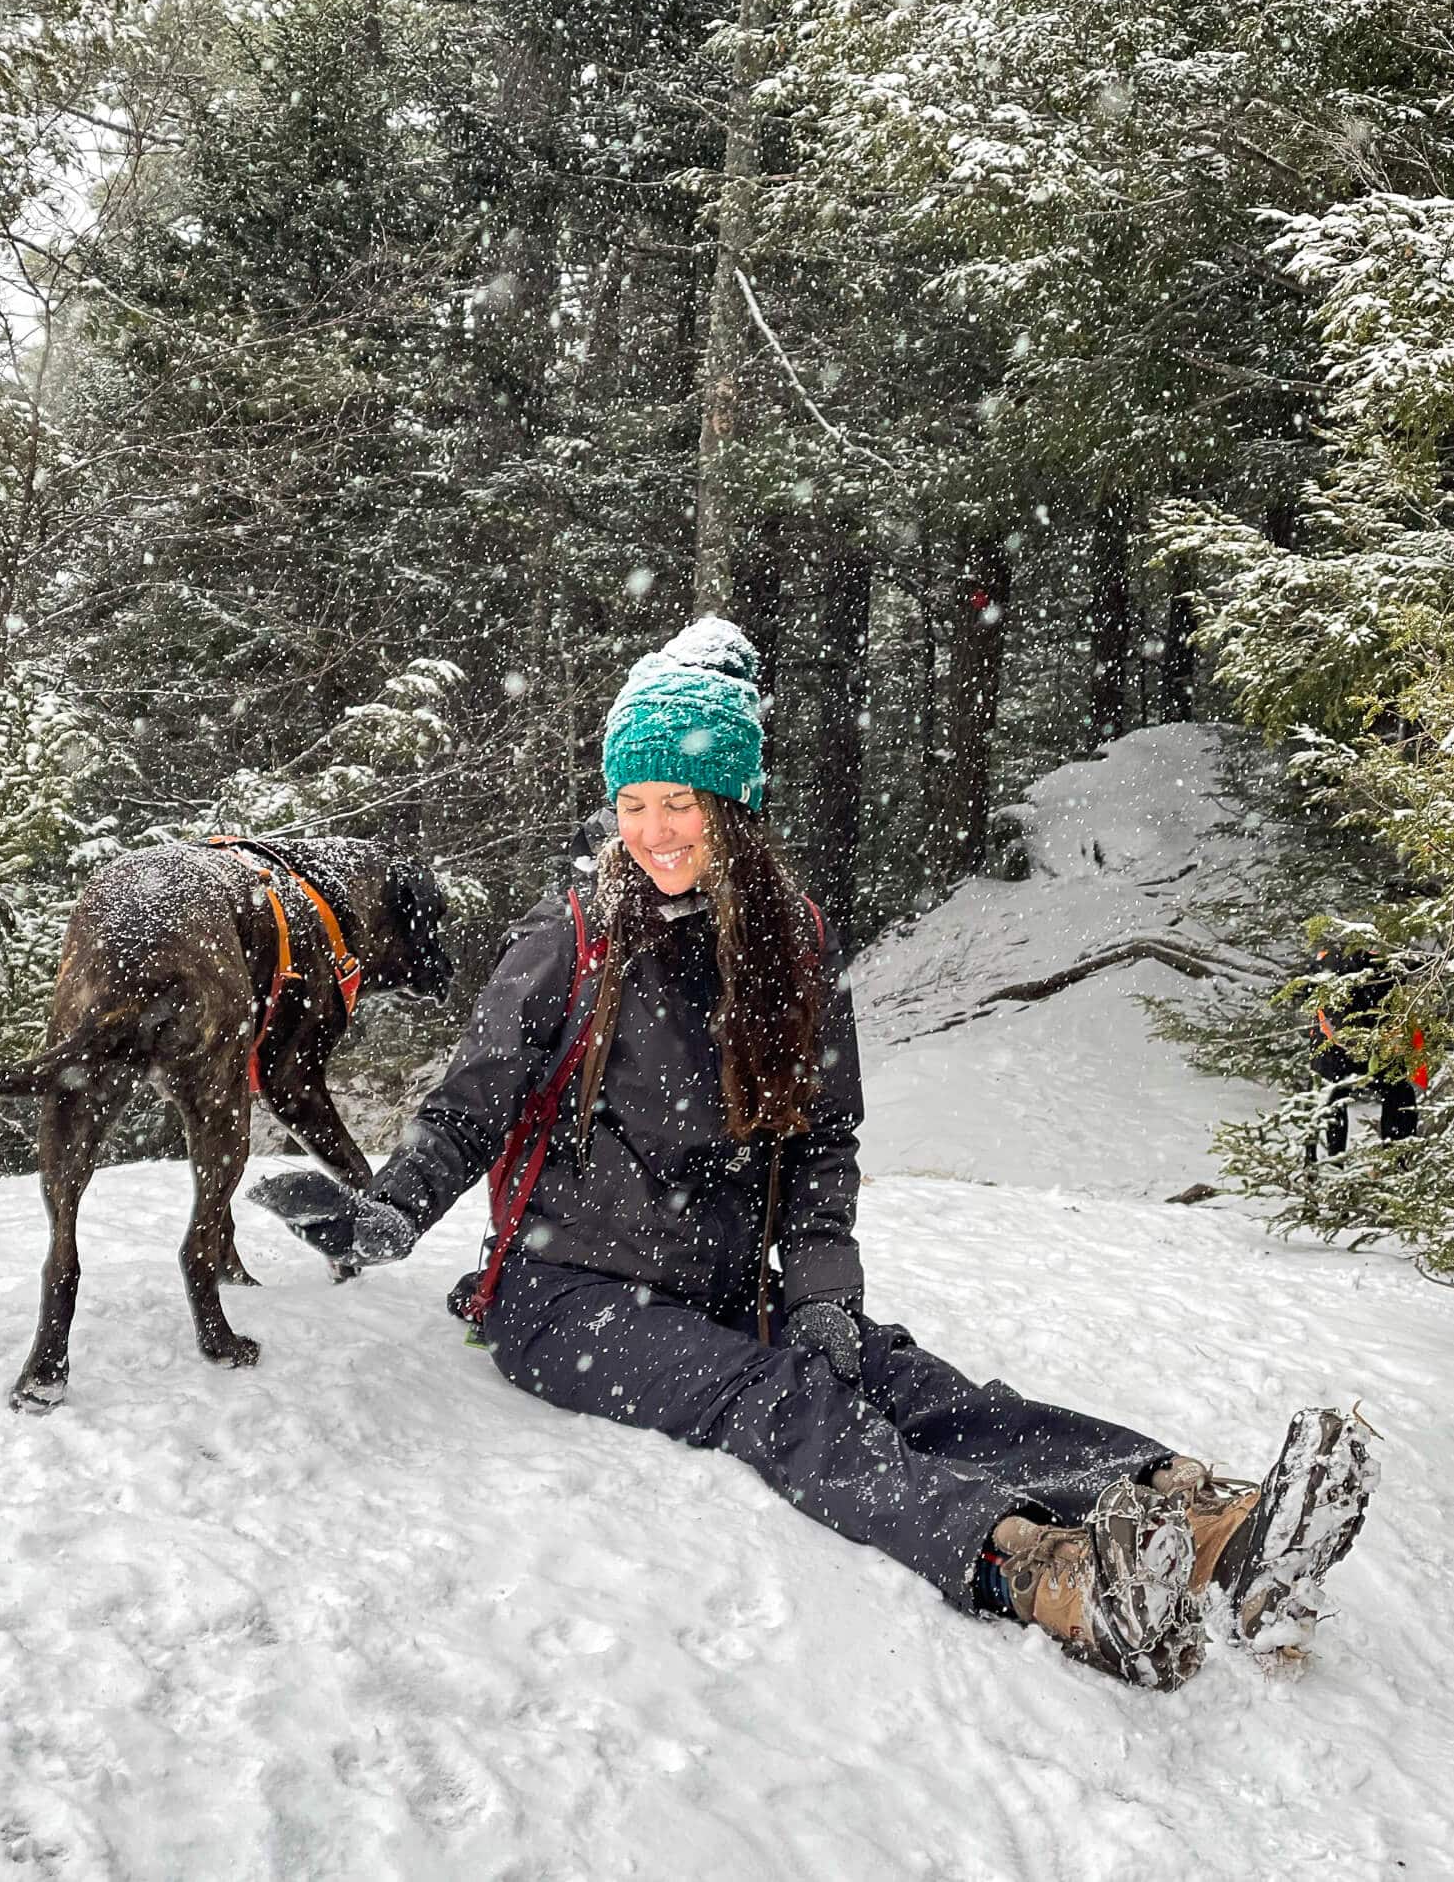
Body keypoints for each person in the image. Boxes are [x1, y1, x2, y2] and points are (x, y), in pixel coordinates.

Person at [252, 619, 1377, 1691]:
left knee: (896, 1374)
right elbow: (472, 1102)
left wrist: (827, 1294)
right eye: (631, 802)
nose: (649, 830)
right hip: (565, 1294)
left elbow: (821, 1142)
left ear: (731, 806)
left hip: (725, 1287)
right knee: (780, 1398)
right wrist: (390, 1211)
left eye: (677, 800)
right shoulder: (572, 936)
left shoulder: (791, 943)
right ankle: (1045, 1575)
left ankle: (1199, 1522)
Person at [1305, 942, 1423, 1162]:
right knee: (1398, 1095)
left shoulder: (1331, 964)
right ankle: (1399, 1160)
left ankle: (1326, 1162)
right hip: (1350, 1045)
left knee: (1329, 1101)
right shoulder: (1388, 968)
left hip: (1347, 1046)